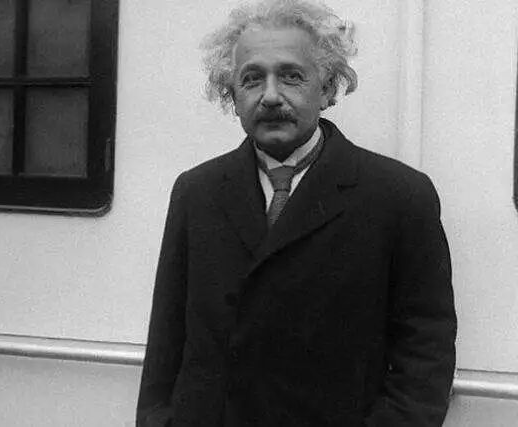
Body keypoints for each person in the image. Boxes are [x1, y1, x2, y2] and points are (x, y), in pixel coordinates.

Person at [137, 0, 457, 425]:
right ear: (232, 96)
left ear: (326, 88)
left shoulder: (399, 196)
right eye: (252, 79)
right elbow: (165, 342)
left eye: (291, 76)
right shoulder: (196, 192)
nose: (270, 96)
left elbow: (426, 355)